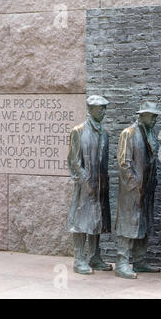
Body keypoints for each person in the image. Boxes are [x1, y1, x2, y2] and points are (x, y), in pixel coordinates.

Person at [115, 101, 161, 279]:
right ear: (141, 115)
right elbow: (124, 163)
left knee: (144, 224)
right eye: (152, 115)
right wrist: (134, 185)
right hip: (132, 190)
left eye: (156, 116)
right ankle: (121, 262)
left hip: (147, 188)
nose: (155, 118)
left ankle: (140, 261)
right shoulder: (129, 133)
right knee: (128, 224)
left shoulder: (151, 134)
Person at [66, 95, 112, 275]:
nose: (103, 111)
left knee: (96, 220)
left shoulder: (105, 133)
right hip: (85, 185)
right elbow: (73, 160)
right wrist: (84, 180)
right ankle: (79, 259)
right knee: (80, 222)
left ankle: (94, 256)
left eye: (104, 108)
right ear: (90, 109)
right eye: (99, 108)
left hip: (100, 185)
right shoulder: (78, 131)